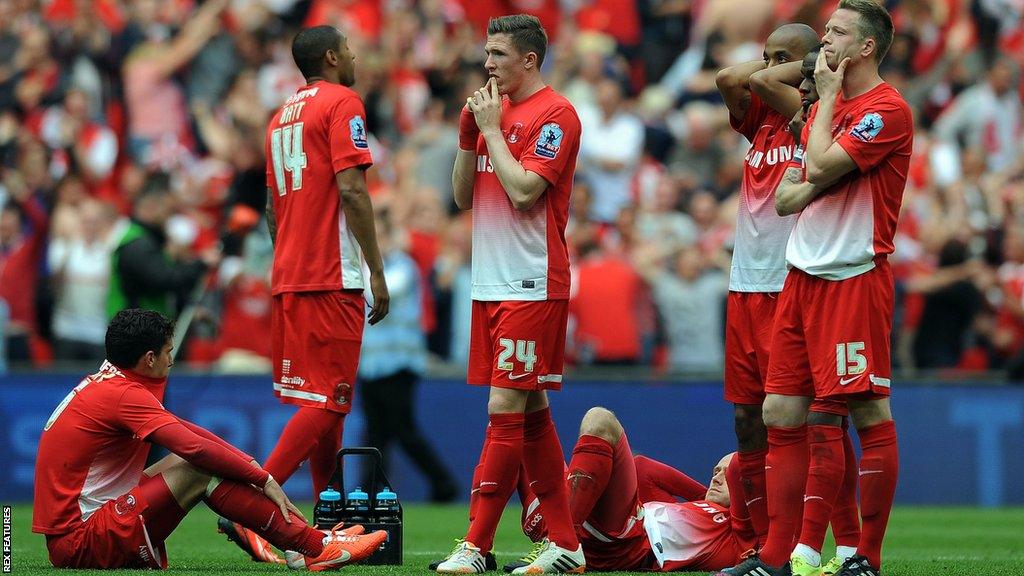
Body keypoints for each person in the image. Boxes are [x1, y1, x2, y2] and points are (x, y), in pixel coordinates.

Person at [733, 2, 912, 575]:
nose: (824, 40)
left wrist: (822, 129)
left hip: (853, 277)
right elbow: (789, 194)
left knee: (864, 411)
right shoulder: (818, 111)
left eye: (835, 32)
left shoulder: (887, 111)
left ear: (864, 48)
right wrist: (813, 175)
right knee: (782, 411)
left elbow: (814, 166)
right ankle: (778, 556)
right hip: (801, 275)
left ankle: (866, 556)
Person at [31, 308, 387, 570]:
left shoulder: (111, 383)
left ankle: (301, 544)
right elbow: (193, 448)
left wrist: (251, 467)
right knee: (197, 469)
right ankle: (315, 545)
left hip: (80, 531)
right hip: (80, 543)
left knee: (189, 464)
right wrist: (262, 479)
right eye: (169, 352)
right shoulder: (124, 395)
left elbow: (189, 433)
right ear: (149, 357)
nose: (172, 361)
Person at [221, 25, 390, 564]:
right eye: (353, 49)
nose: (358, 56)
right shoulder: (343, 103)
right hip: (330, 272)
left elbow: (273, 207)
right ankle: (251, 505)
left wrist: (289, 255)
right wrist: (377, 271)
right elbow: (352, 188)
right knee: (331, 400)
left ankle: (327, 521)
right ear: (334, 57)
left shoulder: (280, 118)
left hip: (290, 273)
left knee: (326, 407)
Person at [434, 14, 585, 575]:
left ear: (528, 60)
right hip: (489, 281)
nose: (488, 63)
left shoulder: (557, 115)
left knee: (503, 408)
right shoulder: (486, 114)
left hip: (531, 280)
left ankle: (476, 545)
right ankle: (567, 545)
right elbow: (461, 197)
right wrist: (468, 135)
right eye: (486, 53)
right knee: (532, 410)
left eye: (498, 54)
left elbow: (524, 193)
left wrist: (493, 130)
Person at [713, 22, 820, 549]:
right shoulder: (758, 120)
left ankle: (797, 537)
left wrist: (799, 72)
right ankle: (756, 540)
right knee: (745, 416)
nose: (767, 65)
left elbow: (749, 77)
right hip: (744, 284)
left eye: (784, 57)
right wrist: (778, 64)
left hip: (790, 282)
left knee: (794, 420)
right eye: (766, 54)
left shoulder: (815, 119)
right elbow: (730, 76)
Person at [515, 407, 757, 572]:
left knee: (599, 419)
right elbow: (643, 468)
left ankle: (561, 541)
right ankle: (480, 547)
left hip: (626, 543)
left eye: (726, 475)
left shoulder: (738, 534)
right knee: (517, 420)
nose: (717, 476)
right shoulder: (694, 509)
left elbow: (741, 465)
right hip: (601, 532)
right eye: (715, 471)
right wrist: (705, 494)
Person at [358, 208, 457, 502]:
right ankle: (371, 493)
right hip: (372, 365)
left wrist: (363, 262)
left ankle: (444, 484)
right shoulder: (374, 267)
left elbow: (376, 291)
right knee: (376, 433)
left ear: (390, 236)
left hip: (399, 364)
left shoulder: (403, 266)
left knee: (403, 431)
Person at [106, 173, 217, 320]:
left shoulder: (145, 238)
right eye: (168, 210)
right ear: (151, 207)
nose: (169, 218)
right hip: (133, 328)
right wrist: (200, 263)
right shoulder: (138, 243)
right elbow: (163, 279)